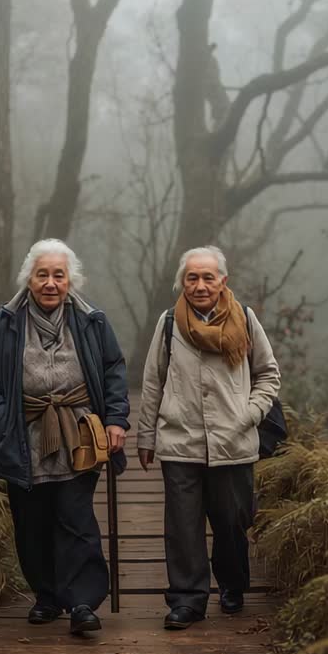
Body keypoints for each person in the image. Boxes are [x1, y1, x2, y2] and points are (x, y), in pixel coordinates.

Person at [0, 239, 130, 634]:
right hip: (24, 436)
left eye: (58, 275)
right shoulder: (4, 323)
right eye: (42, 274)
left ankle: (81, 603)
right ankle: (46, 597)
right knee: (32, 521)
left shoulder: (91, 320)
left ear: (69, 281)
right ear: (29, 278)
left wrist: (116, 420)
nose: (50, 283)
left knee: (76, 518)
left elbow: (114, 369)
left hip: (79, 431)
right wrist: (3, 415)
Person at [135, 246, 281, 630]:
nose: (200, 286)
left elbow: (268, 375)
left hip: (233, 442)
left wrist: (248, 415)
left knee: (232, 522)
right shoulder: (169, 324)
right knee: (183, 526)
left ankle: (232, 584)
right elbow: (153, 382)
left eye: (208, 277)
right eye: (192, 278)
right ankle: (187, 599)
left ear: (222, 281)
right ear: (183, 281)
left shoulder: (245, 320)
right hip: (179, 441)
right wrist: (146, 437)